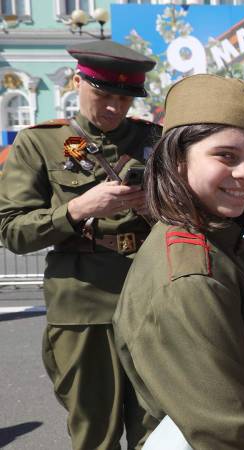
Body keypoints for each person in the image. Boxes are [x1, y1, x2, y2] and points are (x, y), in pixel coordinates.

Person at [113, 74, 244, 449]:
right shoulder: (192, 274)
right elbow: (232, 435)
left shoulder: (221, 242)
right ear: (177, 160)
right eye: (226, 156)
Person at [0, 40, 160, 449]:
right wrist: (76, 210)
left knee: (157, 429)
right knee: (94, 433)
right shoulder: (40, 143)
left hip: (152, 301)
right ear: (77, 82)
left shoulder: (155, 141)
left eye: (123, 98)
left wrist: (157, 209)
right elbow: (12, 230)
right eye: (103, 94)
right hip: (82, 306)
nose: (113, 107)